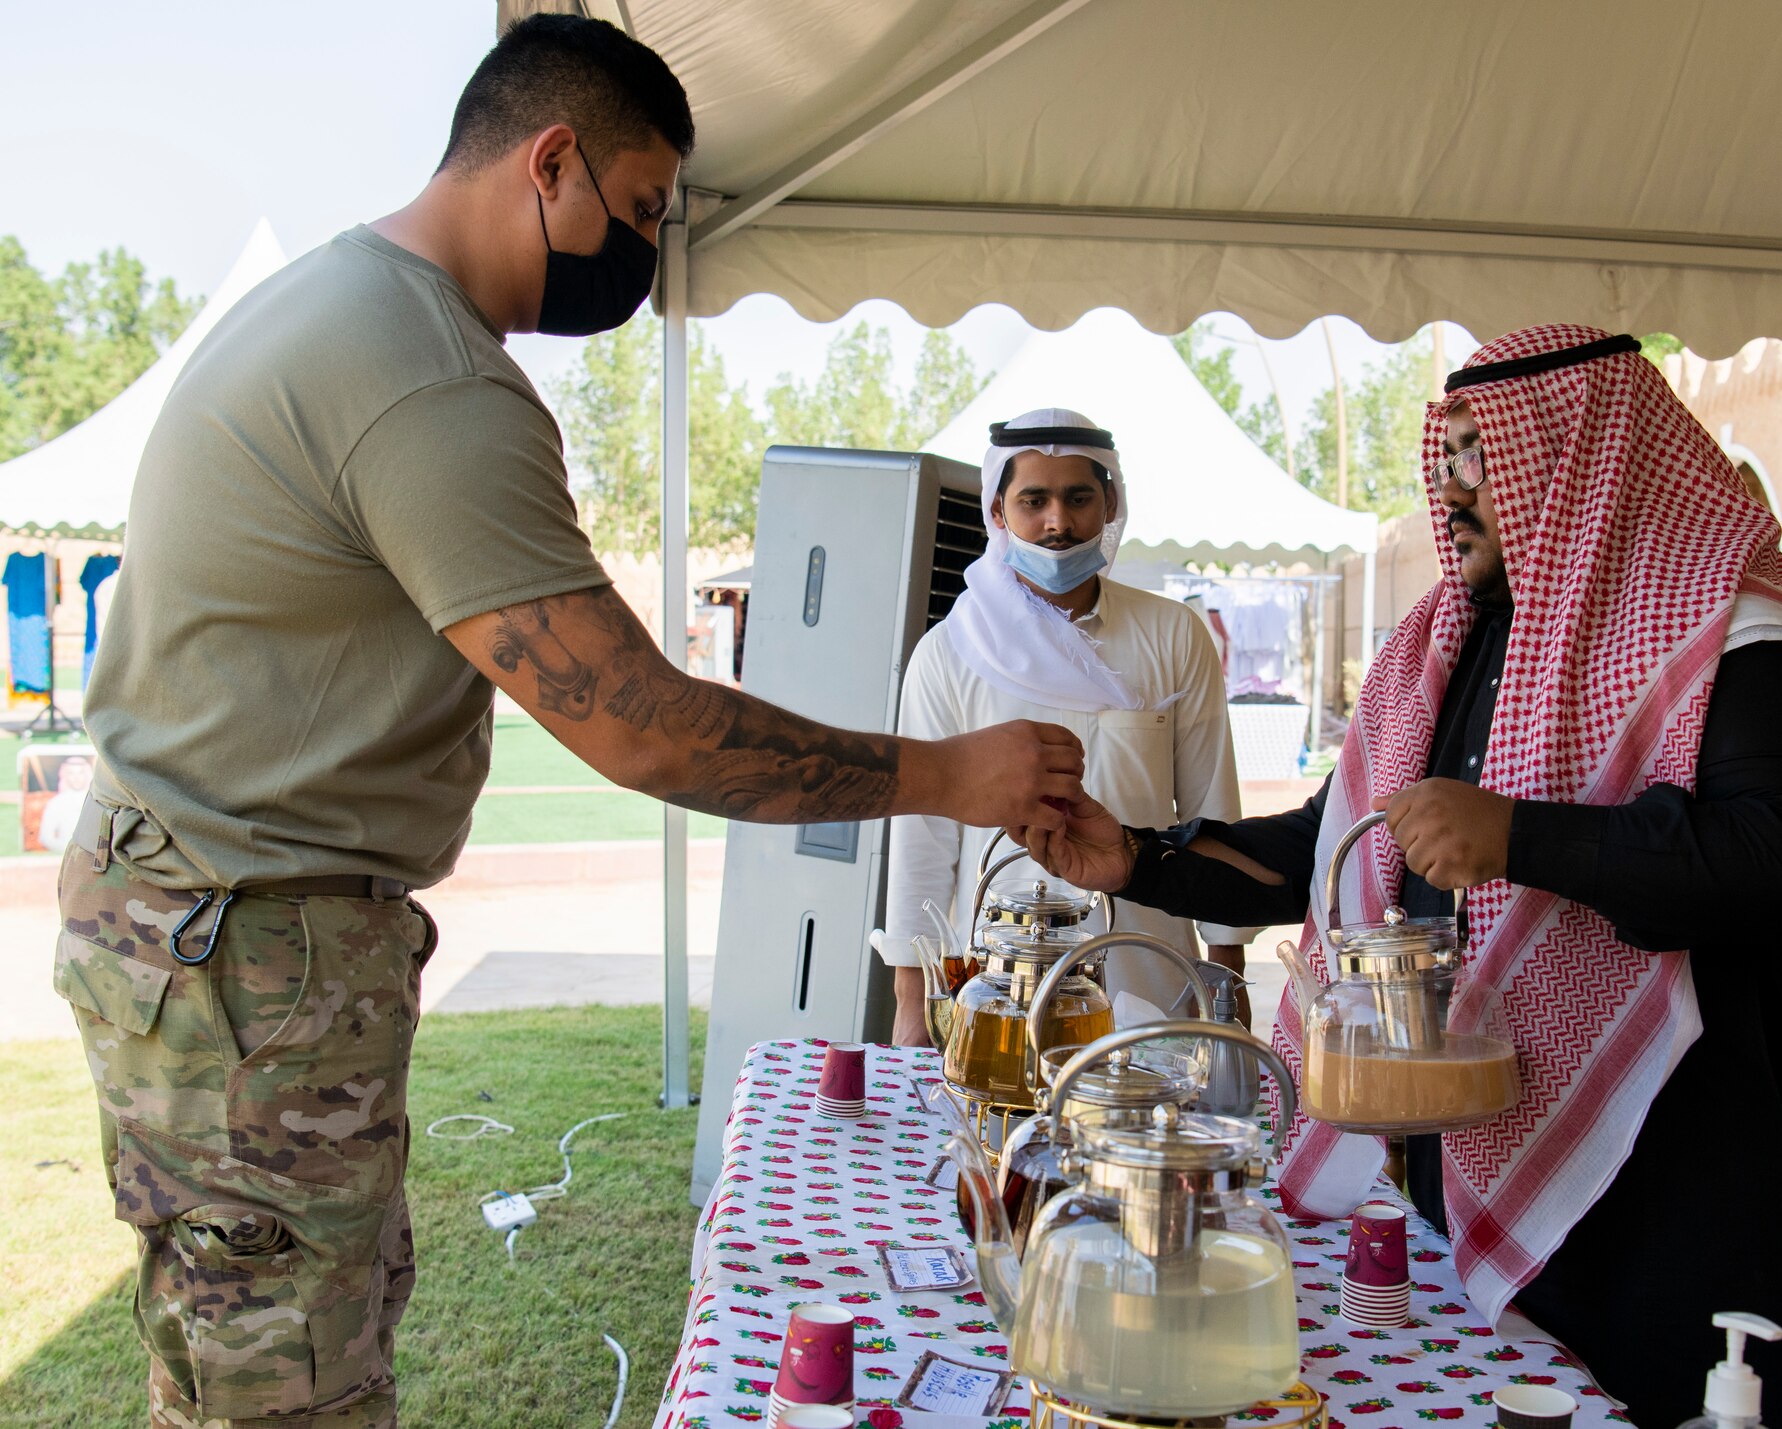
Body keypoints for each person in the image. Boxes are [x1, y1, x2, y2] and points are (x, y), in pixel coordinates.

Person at [59, 19, 1082, 1428]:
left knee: (245, 1347)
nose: (648, 251)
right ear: (552, 163)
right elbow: (645, 724)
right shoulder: (426, 376)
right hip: (245, 942)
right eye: (643, 207)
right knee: (284, 1382)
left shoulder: (343, 306)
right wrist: (944, 773)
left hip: (202, 927)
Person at [1015, 327, 1782, 1427]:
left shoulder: (1737, 628)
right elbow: (1342, 846)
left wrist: (1521, 838)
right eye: (1450, 456)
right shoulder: (1450, 640)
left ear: (1579, 460)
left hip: (1705, 1167)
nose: (1455, 488)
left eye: (1484, 457)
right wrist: (1142, 858)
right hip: (1506, 1132)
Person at [878, 410, 1254, 1043]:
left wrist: (1227, 982)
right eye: (1034, 500)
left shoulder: (1171, 634)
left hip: (1148, 976)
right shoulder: (950, 652)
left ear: (1110, 504)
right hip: (994, 989)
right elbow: (922, 836)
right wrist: (912, 1004)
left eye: (1078, 497)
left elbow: (1211, 810)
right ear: (999, 512)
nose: (1058, 522)